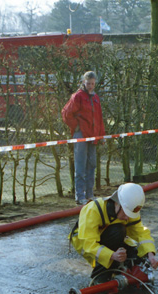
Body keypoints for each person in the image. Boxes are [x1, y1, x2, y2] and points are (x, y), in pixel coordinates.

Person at [69, 183, 158, 283]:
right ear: (117, 203)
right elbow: (88, 243)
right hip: (85, 243)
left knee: (137, 256)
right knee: (118, 231)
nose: (127, 218)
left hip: (109, 236)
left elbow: (141, 233)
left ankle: (120, 272)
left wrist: (150, 254)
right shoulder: (93, 210)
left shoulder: (129, 209)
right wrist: (112, 255)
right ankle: (99, 277)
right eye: (125, 213)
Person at [62, 71, 106, 205]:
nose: (91, 86)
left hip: (93, 135)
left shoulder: (96, 98)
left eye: (93, 84)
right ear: (83, 82)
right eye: (88, 83)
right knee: (80, 165)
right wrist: (77, 127)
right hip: (81, 134)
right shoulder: (77, 97)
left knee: (91, 165)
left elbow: (99, 118)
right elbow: (66, 113)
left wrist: (101, 136)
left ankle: (89, 194)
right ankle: (79, 195)